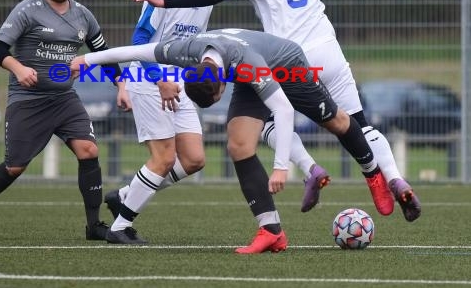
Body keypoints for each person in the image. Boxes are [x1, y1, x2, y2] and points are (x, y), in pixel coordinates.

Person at [129, 0, 421, 222]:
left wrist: (163, 2)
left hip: (288, 60)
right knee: (356, 123)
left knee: (265, 123)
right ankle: (389, 177)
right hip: (330, 53)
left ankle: (307, 170)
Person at [70, 28, 392, 254]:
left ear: (220, 88)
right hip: (245, 73)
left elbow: (282, 109)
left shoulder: (247, 63)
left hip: (287, 65)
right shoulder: (186, 51)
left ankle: (372, 173)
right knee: (239, 146)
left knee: (336, 120)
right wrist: (88, 61)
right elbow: (135, 51)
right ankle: (271, 232)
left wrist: (281, 168)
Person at [0, 0, 131, 241]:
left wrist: (122, 86)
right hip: (28, 101)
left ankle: (94, 226)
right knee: (15, 167)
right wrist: (18, 68)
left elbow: (104, 54)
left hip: (64, 99)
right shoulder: (27, 10)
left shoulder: (83, 16)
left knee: (89, 150)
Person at [101, 0, 217, 245]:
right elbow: (139, 40)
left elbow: (193, 45)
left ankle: (125, 195)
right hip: (148, 78)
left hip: (177, 81)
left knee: (194, 159)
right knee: (164, 158)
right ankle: (119, 227)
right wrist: (160, 80)